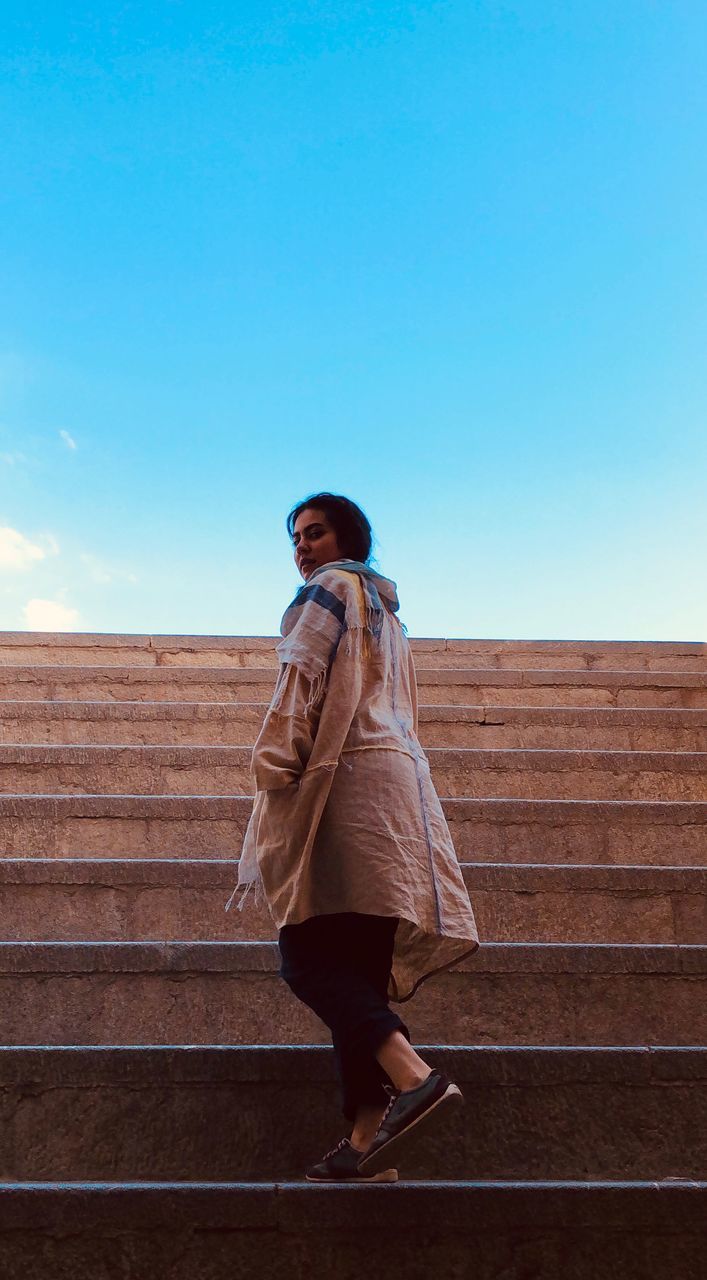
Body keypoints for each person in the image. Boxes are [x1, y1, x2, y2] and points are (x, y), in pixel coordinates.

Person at [225, 492, 479, 1182]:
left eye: (315, 532)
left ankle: (415, 1079)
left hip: (342, 787)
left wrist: (272, 769)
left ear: (347, 538)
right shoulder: (389, 615)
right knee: (358, 972)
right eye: (297, 537)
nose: (302, 547)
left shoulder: (327, 591)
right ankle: (369, 1140)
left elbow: (299, 681)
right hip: (394, 797)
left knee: (306, 956)